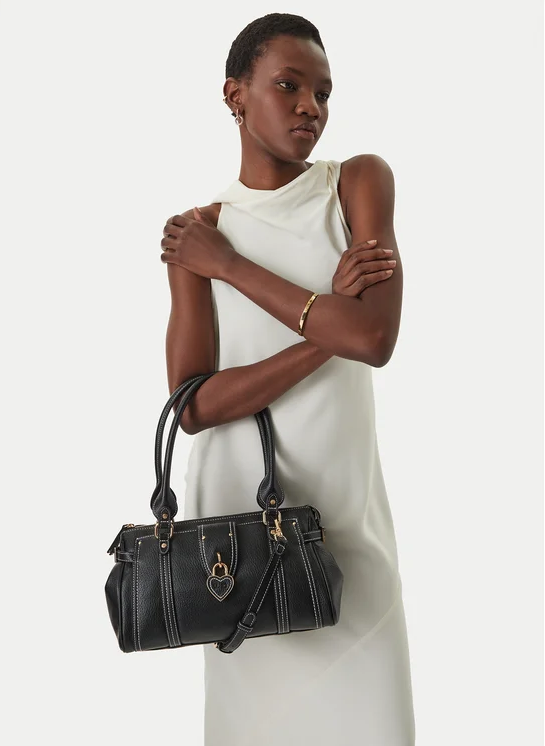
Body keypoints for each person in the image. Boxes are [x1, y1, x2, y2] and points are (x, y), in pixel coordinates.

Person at [160, 12, 416, 746]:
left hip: (348, 532)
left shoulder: (357, 184)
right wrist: (328, 320)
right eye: (289, 86)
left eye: (324, 93)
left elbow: (373, 339)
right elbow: (193, 405)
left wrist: (233, 269)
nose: (312, 107)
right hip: (236, 544)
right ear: (235, 95)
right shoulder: (198, 233)